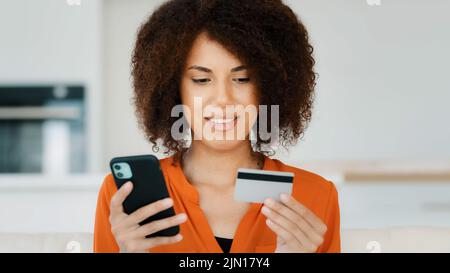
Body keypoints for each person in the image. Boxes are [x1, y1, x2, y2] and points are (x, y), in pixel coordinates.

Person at [94, 0, 340, 253]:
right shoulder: (122, 196)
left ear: (268, 86)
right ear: (173, 89)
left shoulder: (315, 197)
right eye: (201, 80)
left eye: (242, 79)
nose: (223, 98)